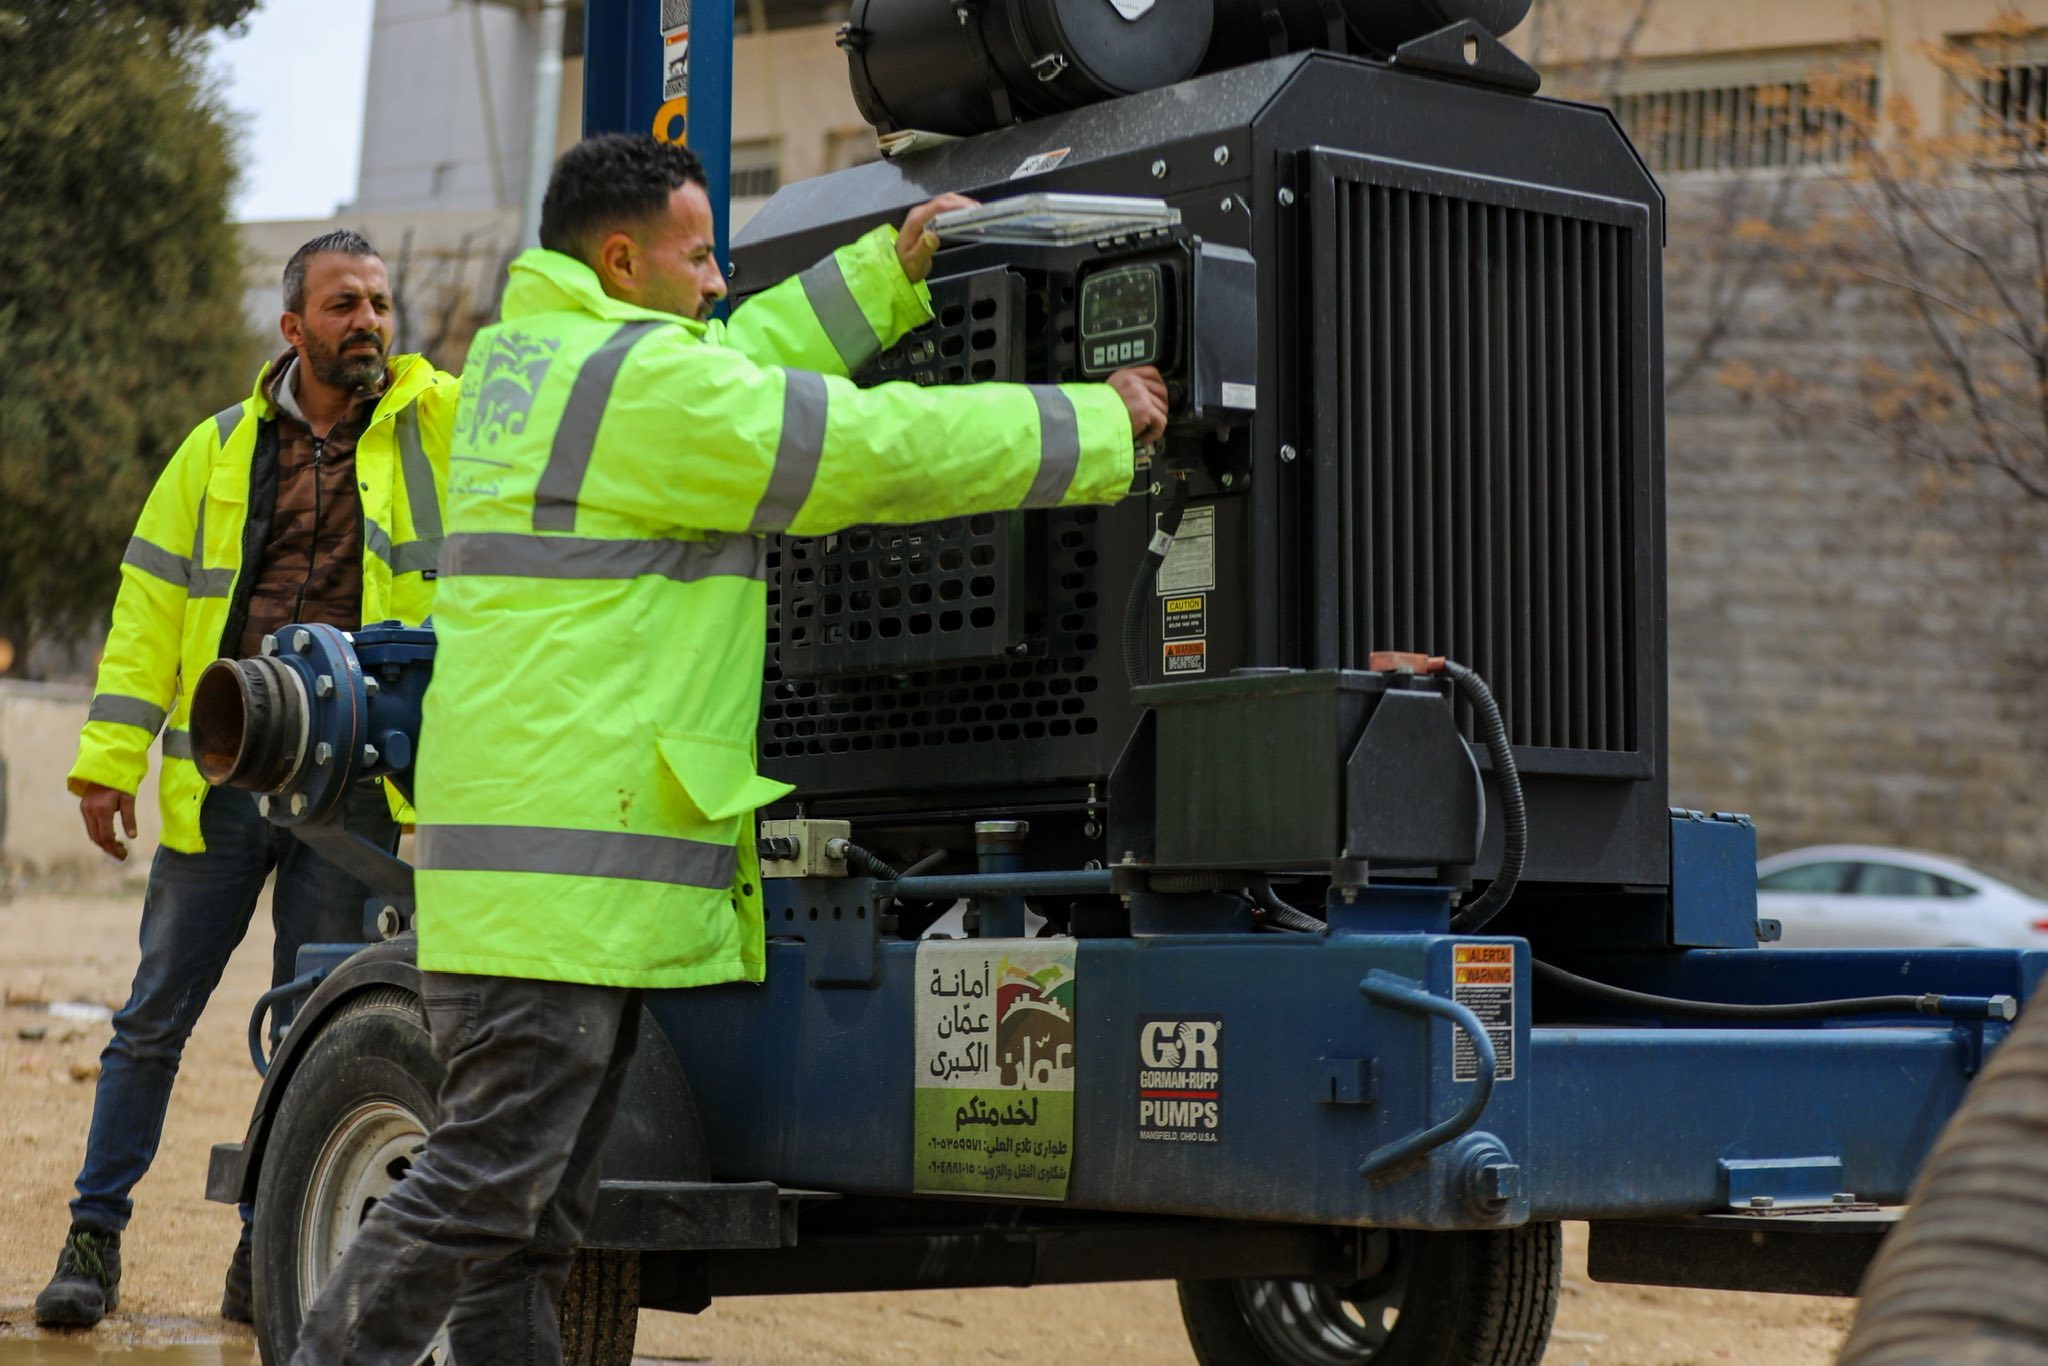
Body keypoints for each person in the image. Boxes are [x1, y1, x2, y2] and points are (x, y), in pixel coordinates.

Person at [290, 133, 1166, 1363]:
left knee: (527, 1227)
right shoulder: (633, 387)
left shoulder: (550, 359)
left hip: (536, 892)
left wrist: (887, 274)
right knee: (485, 1192)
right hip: (558, 898)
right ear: (619, 260)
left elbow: (738, 361)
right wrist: (1094, 423)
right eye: (697, 255)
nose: (717, 279)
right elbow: (857, 447)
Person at [38, 230, 459, 1329]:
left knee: (316, 1032)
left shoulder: (437, 427)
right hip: (224, 772)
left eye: (378, 303)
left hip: (353, 783)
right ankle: (93, 1237)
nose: (368, 321)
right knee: (152, 1020)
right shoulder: (217, 449)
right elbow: (148, 607)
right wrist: (109, 759)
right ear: (292, 326)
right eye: (343, 304)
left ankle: (258, 1251)